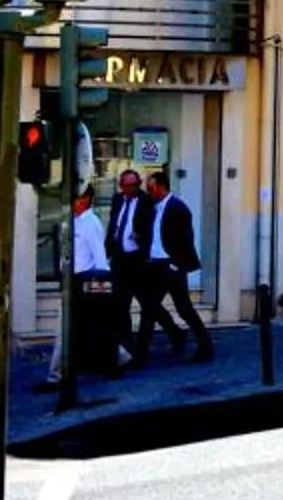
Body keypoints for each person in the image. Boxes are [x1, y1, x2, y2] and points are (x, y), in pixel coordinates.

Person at [134, 169, 213, 359]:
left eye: (151, 188)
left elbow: (185, 240)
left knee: (182, 308)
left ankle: (203, 346)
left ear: (161, 187)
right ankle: (149, 348)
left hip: (171, 266)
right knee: (150, 307)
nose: (149, 192)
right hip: (155, 264)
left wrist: (176, 265)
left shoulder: (178, 208)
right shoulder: (153, 208)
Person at [60, 189, 119, 398]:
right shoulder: (73, 220)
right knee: (83, 326)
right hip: (74, 279)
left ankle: (111, 363)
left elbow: (99, 255)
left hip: (89, 278)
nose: (73, 203)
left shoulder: (91, 223)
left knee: (98, 324)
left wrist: (102, 283)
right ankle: (90, 363)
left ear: (85, 200)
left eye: (76, 198)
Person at [105, 165, 148, 357]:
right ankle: (127, 343)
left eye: (134, 185)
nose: (131, 189)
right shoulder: (117, 200)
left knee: (147, 302)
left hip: (137, 260)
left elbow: (151, 228)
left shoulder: (146, 202)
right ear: (121, 186)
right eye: (127, 186)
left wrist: (142, 239)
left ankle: (174, 332)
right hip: (119, 258)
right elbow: (113, 225)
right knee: (120, 304)